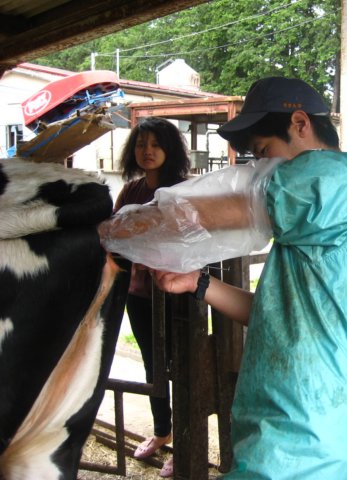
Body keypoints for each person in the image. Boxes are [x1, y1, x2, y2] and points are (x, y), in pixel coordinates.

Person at [144, 77, 347, 478]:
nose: (262, 169)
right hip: (313, 430)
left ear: (300, 124)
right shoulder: (317, 216)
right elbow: (278, 317)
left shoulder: (329, 181)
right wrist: (198, 283)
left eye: (264, 153)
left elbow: (202, 215)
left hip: (316, 439)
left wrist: (109, 230)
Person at [114, 116, 191, 478]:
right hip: (139, 295)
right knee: (153, 366)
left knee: (184, 367)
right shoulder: (130, 191)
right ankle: (163, 432)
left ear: (169, 149)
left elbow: (190, 238)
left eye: (156, 144)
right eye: (142, 144)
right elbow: (115, 236)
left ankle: (186, 443)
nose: (147, 151)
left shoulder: (185, 190)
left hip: (178, 293)